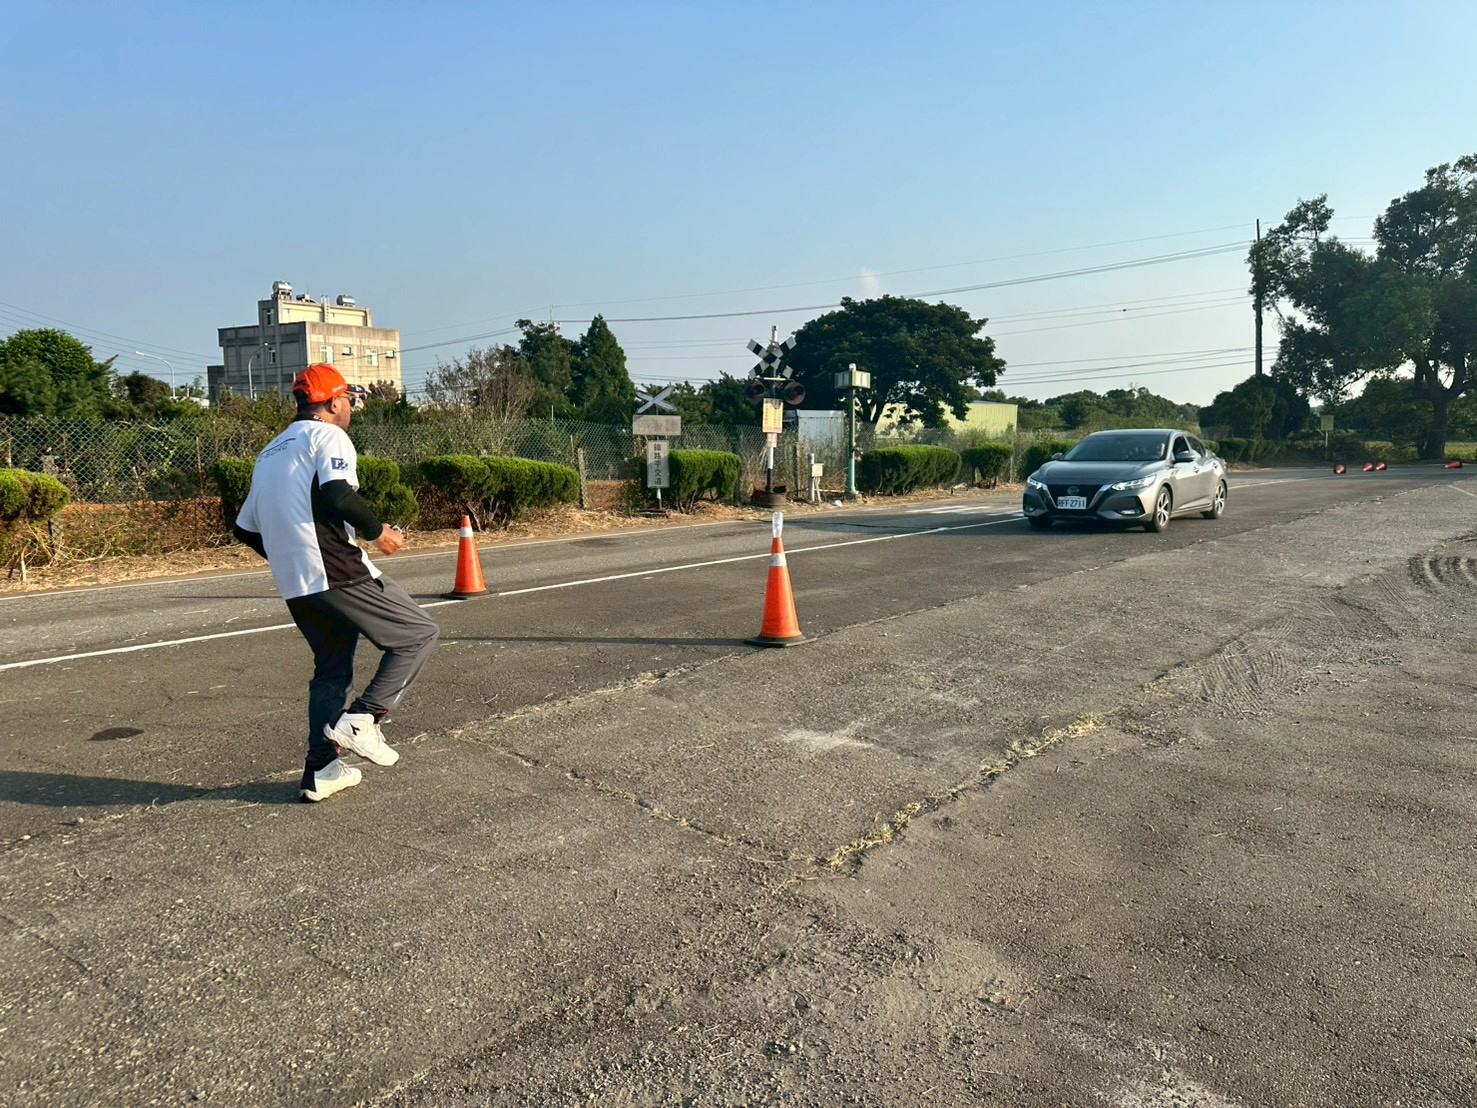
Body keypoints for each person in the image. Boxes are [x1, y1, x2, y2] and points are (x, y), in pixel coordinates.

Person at [233, 363, 440, 802]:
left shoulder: (269, 453)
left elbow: (244, 528)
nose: (351, 409)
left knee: (332, 669)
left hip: (297, 583)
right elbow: (338, 493)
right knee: (418, 635)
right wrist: (378, 533)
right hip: (335, 569)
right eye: (349, 400)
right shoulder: (327, 436)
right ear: (331, 403)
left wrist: (289, 555)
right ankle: (364, 719)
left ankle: (321, 770)